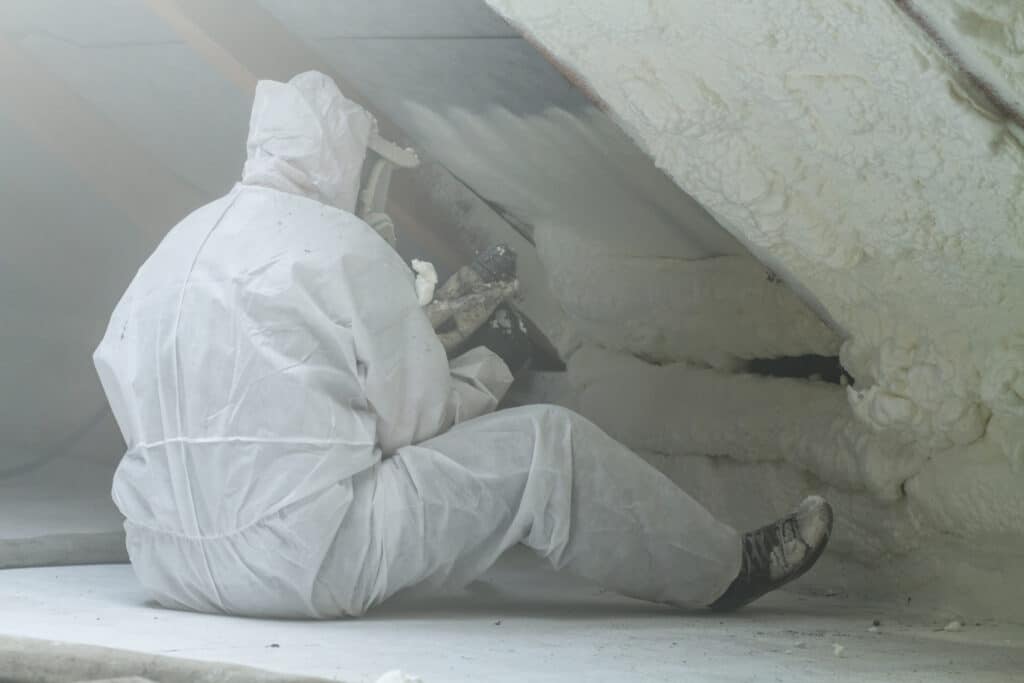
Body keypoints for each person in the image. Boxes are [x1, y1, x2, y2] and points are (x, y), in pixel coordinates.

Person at [93, 71, 832, 619]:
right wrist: (489, 363)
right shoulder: (341, 247)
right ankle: (728, 568)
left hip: (167, 563)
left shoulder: (175, 248)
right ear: (343, 162)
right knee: (550, 448)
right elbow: (416, 425)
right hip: (302, 563)